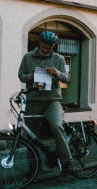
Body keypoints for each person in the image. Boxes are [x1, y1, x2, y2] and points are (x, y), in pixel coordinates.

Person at [18, 30, 72, 173]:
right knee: (31, 135)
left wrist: (57, 73)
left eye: (50, 47)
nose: (46, 49)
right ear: (39, 43)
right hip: (34, 100)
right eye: (44, 46)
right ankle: (34, 168)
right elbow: (21, 76)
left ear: (53, 46)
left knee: (56, 127)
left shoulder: (59, 58)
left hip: (52, 100)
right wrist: (33, 76)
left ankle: (67, 162)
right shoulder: (28, 57)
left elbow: (67, 79)